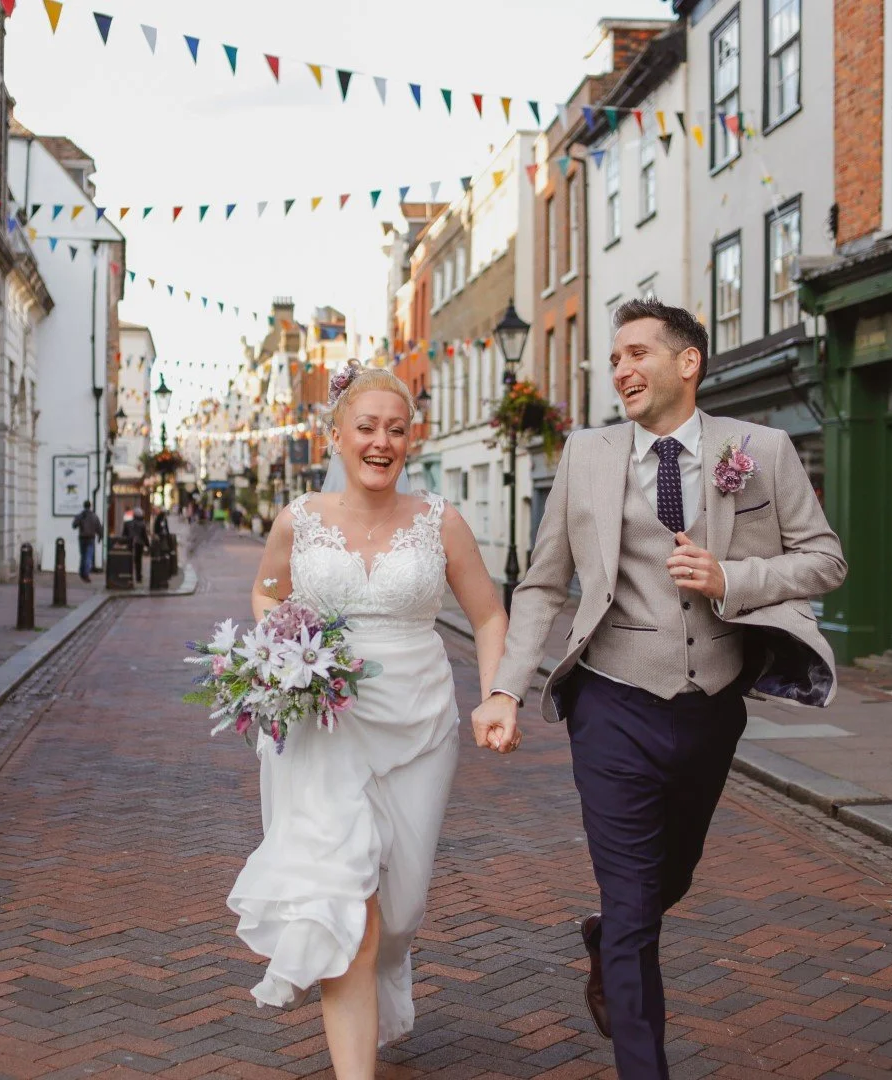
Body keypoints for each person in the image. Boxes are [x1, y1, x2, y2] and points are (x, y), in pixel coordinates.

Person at [471, 298, 847, 1080]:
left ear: (688, 362)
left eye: (637, 353)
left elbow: (824, 561)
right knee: (634, 899)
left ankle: (608, 938)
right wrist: (505, 688)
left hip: (713, 706)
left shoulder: (761, 450)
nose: (621, 370)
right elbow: (542, 584)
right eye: (614, 359)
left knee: (671, 875)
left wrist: (732, 577)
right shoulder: (586, 454)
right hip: (611, 702)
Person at [228, 363, 511, 1080]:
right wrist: (285, 647)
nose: (381, 441)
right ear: (336, 436)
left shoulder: (441, 522)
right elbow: (267, 595)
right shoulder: (298, 519)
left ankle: (385, 965)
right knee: (346, 902)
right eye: (366, 427)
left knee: (402, 908)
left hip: (420, 724)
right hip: (324, 726)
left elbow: (487, 615)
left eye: (396, 429)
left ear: (411, 439)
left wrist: (497, 694)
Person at [70, 500, 102, 582]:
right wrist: (100, 537)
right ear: (90, 506)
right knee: (88, 556)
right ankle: (86, 574)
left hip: (82, 538)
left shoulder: (80, 515)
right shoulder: (94, 516)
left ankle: (82, 572)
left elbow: (74, 525)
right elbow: (99, 528)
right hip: (91, 538)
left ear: (84, 506)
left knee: (83, 555)